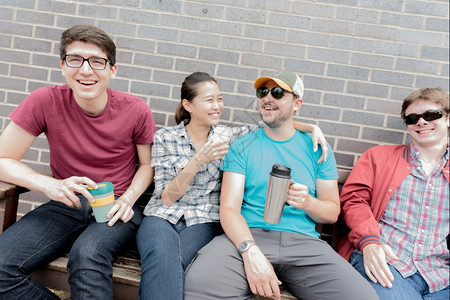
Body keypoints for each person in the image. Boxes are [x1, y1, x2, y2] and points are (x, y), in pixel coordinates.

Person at [184, 70, 379, 300]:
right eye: (262, 92)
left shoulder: (317, 149)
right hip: (247, 236)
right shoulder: (243, 146)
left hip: (304, 243)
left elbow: (332, 213)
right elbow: (229, 209)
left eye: (277, 92)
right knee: (199, 284)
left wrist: (307, 202)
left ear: (297, 103)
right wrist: (250, 251)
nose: (268, 98)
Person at [136, 71, 329, 299]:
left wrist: (311, 128)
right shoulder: (165, 137)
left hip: (203, 220)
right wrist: (198, 160)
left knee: (173, 260)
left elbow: (273, 124)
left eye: (219, 99)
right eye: (209, 100)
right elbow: (168, 198)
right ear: (187, 105)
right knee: (160, 254)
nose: (217, 106)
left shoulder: (227, 135)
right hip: (161, 216)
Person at [0, 25, 155, 299]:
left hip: (117, 206)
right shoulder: (44, 101)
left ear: (113, 70)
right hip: (66, 203)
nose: (85, 70)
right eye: (75, 60)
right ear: (62, 66)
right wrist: (48, 184)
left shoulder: (136, 109)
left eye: (97, 62)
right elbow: (3, 158)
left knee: (88, 256)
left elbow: (147, 166)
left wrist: (128, 200)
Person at [338, 87, 449, 300]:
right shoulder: (378, 157)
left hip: (440, 274)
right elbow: (354, 201)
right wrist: (369, 242)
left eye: (431, 115)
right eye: (413, 118)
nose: (421, 122)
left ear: (447, 119)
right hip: (386, 262)